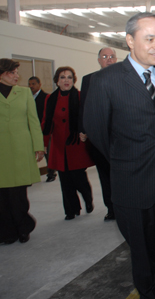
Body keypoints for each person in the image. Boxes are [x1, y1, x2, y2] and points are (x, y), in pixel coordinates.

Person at [84, 12, 155, 299]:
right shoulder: (105, 80)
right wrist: (128, 159)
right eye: (149, 39)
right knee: (143, 253)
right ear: (129, 40)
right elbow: (97, 131)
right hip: (133, 181)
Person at [0, 59, 44, 244]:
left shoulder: (25, 92)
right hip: (2, 150)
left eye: (17, 72)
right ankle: (6, 232)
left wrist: (38, 145)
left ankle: (23, 227)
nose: (17, 76)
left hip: (20, 147)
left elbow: (33, 121)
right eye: (12, 73)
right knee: (2, 195)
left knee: (18, 194)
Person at [42, 66, 95, 221]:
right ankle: (71, 210)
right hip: (59, 146)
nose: (66, 80)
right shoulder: (50, 99)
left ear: (74, 80)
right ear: (57, 81)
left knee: (79, 178)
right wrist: (43, 144)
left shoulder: (79, 96)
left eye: (70, 77)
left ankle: (87, 196)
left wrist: (85, 132)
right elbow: (46, 122)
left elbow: (87, 117)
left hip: (76, 144)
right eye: (63, 77)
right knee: (65, 180)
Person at [79, 47, 117, 221]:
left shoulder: (125, 77)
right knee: (104, 173)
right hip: (99, 137)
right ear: (99, 60)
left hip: (121, 136)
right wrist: (84, 128)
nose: (108, 59)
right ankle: (111, 208)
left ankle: (125, 206)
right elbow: (84, 107)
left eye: (111, 57)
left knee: (122, 174)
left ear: (116, 59)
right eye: (104, 57)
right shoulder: (89, 80)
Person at [29, 76, 57, 182]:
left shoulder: (46, 97)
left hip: (44, 128)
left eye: (33, 84)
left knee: (47, 152)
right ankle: (31, 175)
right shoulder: (27, 97)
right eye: (29, 84)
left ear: (39, 85)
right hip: (31, 129)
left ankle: (51, 173)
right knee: (31, 152)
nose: (31, 86)